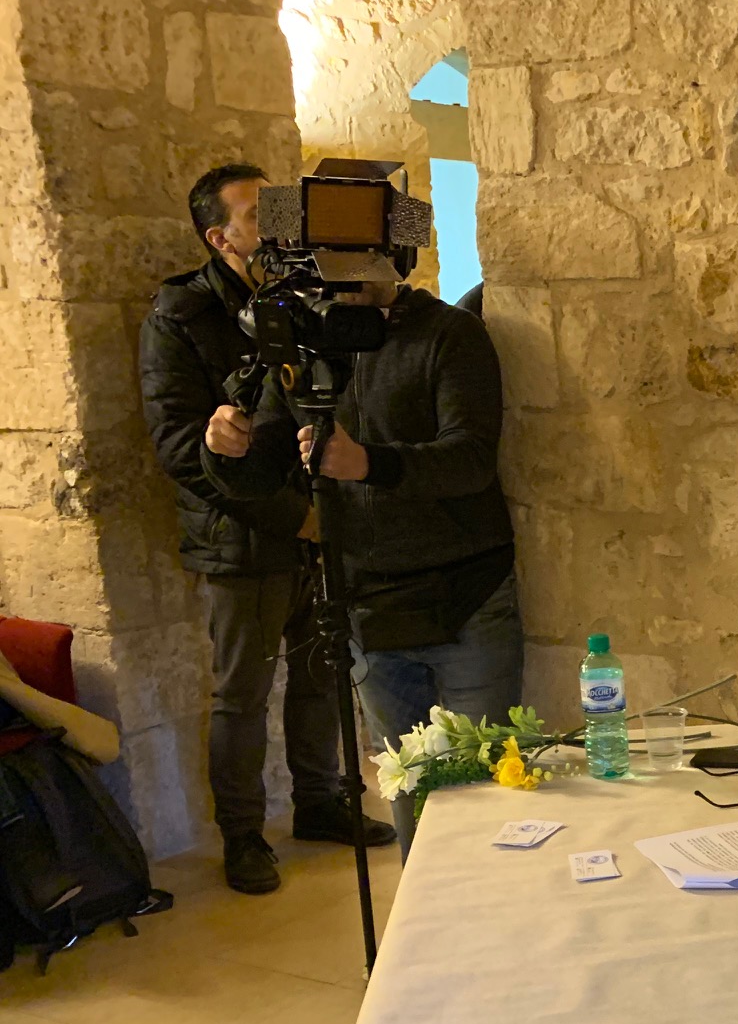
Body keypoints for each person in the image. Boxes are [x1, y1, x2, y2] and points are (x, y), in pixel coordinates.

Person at [139, 163, 394, 895]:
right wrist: (296, 517)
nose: (281, 225)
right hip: (241, 536)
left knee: (321, 675)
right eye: (259, 215)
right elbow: (182, 450)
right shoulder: (181, 316)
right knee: (241, 695)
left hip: (318, 518)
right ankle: (244, 835)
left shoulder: (308, 296)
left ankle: (319, 801)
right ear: (219, 237)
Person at [200, 264, 520, 759]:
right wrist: (223, 447)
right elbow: (261, 471)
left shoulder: (448, 332)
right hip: (366, 603)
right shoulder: (304, 347)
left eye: (358, 258)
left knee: (489, 776)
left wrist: (368, 463)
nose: (345, 276)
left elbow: (470, 459)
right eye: (329, 259)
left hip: (466, 594)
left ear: (394, 255)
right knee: (408, 782)